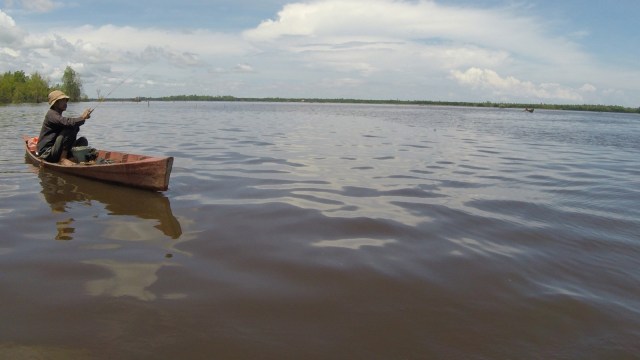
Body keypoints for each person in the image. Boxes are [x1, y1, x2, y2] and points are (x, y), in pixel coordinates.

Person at [37, 90, 93, 163]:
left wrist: (82, 118)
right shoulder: (51, 114)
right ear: (55, 103)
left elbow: (70, 123)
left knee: (83, 141)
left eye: (65, 100)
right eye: (62, 101)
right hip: (48, 153)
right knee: (70, 128)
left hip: (56, 149)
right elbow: (67, 122)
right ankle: (63, 159)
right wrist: (82, 117)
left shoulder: (57, 115)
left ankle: (70, 157)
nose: (65, 103)